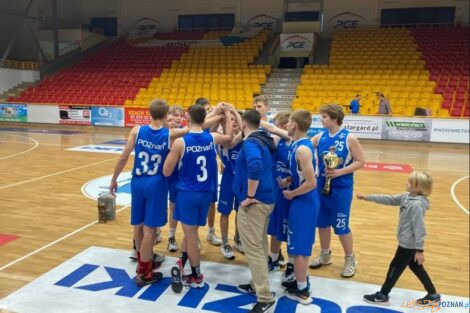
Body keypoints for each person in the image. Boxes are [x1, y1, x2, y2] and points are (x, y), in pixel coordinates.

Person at [109, 99, 187, 286]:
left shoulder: (136, 130)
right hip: (156, 183)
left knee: (138, 223)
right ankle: (144, 271)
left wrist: (114, 179)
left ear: (149, 113)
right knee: (150, 229)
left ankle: (142, 258)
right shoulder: (170, 134)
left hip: (137, 181)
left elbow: (123, 156)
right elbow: (196, 128)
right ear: (166, 115)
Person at [163, 103, 233, 292]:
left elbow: (166, 171)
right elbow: (229, 137)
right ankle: (181, 261)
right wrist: (226, 114)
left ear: (187, 117)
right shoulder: (212, 137)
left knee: (191, 237)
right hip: (206, 194)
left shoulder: (181, 142)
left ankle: (196, 276)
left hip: (188, 193)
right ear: (204, 119)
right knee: (190, 232)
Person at [359, 171, 440, 307]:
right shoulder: (407, 197)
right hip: (407, 243)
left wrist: (419, 250)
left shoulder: (417, 205)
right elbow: (389, 199)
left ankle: (383, 295)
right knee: (416, 267)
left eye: (409, 182)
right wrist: (368, 197)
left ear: (418, 187)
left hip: (408, 245)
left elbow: (420, 229)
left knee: (395, 267)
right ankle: (432, 295)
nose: (406, 183)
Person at [309, 104, 365, 278]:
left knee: (341, 225)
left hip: (341, 188)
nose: (321, 120)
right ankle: (325, 254)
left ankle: (350, 258)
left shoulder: (349, 138)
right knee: (322, 223)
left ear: (334, 118)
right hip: (321, 186)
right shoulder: (319, 137)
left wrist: (339, 172)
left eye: (324, 117)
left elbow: (361, 161)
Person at [234, 109, 276, 313]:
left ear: (243, 124)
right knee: (260, 244)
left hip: (256, 203)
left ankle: (265, 297)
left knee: (254, 249)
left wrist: (250, 195)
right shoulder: (264, 138)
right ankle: (257, 285)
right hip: (267, 200)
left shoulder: (251, 142)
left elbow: (255, 165)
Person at [282, 110, 319, 304]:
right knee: (297, 247)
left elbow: (312, 182)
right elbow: (302, 175)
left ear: (295, 125)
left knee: (299, 249)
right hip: (302, 200)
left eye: (288, 122)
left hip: (304, 201)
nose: (286, 125)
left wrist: (291, 193)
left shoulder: (302, 149)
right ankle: (300, 280)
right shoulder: (299, 145)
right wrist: (288, 180)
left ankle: (303, 291)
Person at [195, 97, 223, 246]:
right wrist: (218, 113)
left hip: (210, 165)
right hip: (196, 168)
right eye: (206, 110)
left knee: (212, 202)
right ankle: (195, 235)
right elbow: (205, 123)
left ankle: (211, 232)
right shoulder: (195, 124)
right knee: (198, 202)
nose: (208, 112)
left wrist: (222, 160)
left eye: (208, 109)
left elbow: (215, 136)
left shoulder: (209, 123)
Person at [217, 109, 243, 259]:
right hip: (228, 179)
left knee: (241, 212)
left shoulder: (247, 138)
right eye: (230, 120)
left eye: (235, 120)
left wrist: (234, 114)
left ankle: (238, 239)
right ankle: (225, 242)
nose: (233, 122)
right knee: (225, 212)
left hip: (242, 181)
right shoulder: (224, 139)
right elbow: (231, 141)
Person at [165, 104, 186, 252]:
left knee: (179, 206)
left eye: (180, 115)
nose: (178, 118)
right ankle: (166, 235)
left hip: (180, 175)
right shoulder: (166, 132)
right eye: (175, 115)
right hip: (166, 175)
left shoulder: (185, 133)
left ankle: (186, 236)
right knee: (164, 206)